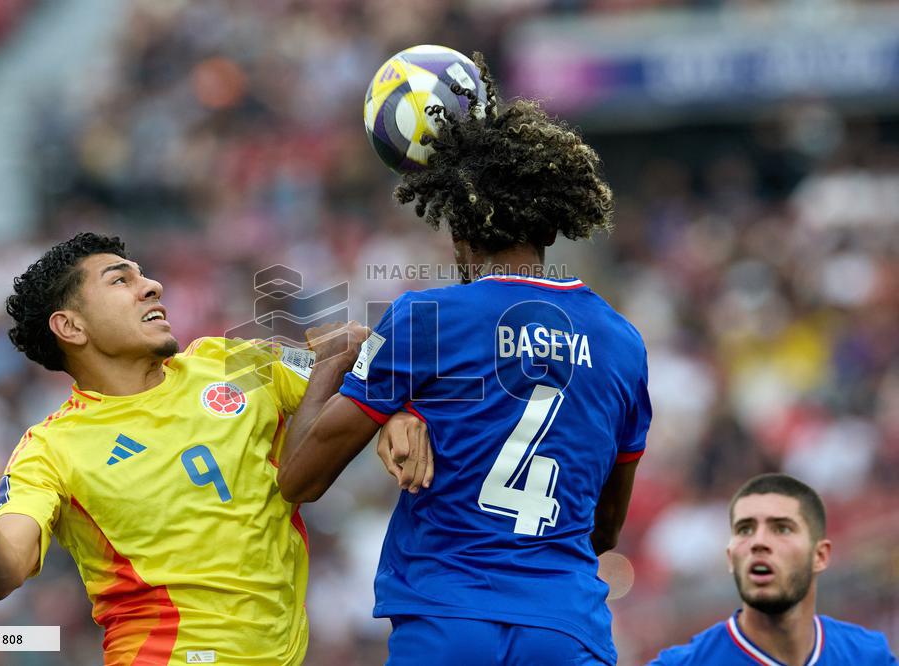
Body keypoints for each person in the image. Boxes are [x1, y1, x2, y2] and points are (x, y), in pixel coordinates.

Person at [278, 54, 650, 665]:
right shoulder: (623, 342)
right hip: (565, 627)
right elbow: (604, 529)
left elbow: (300, 479)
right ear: (552, 226)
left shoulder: (424, 319)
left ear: (456, 231)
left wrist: (337, 364)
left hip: (448, 620)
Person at [0, 232, 421, 665]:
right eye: (120, 280)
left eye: (143, 275)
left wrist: (399, 413)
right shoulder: (51, 448)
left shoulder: (230, 362)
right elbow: (5, 572)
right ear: (71, 327)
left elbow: (356, 358)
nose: (151, 286)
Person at [650, 473, 897, 666]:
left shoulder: (868, 657)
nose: (759, 542)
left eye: (782, 529)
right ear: (730, 558)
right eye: (745, 529)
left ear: (820, 556)